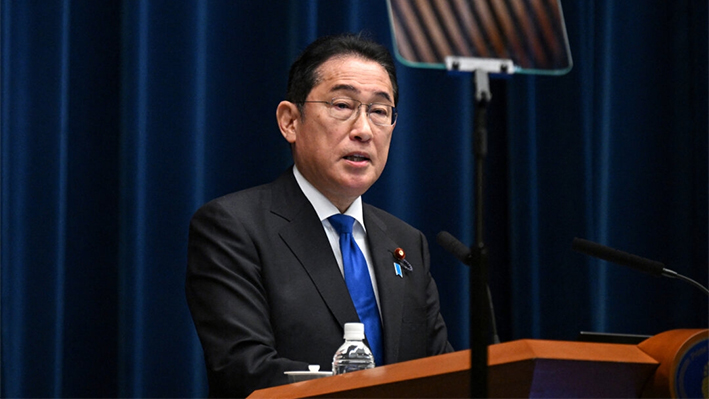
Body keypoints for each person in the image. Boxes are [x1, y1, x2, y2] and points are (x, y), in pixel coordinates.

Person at [186, 32, 453, 398]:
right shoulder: (233, 227)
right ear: (290, 121)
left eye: (379, 111)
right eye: (342, 105)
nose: (363, 130)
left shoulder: (406, 243)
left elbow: (438, 370)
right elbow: (245, 372)